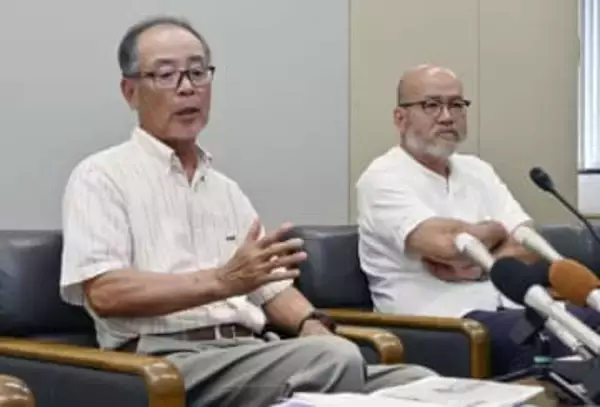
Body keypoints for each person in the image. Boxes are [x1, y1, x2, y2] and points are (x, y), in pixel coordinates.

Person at [59, 16, 435, 407]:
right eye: (166, 75)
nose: (187, 87)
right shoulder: (101, 176)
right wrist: (221, 281)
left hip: (251, 353)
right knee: (331, 360)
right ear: (131, 92)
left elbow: (270, 287)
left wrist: (310, 323)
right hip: (163, 365)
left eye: (197, 73)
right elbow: (105, 292)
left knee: (419, 383)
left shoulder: (225, 190)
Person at [356, 63, 600, 377]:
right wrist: (497, 233)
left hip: (511, 309)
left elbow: (527, 243)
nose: (447, 116)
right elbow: (449, 245)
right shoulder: (382, 177)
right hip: (442, 325)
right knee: (561, 341)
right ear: (400, 118)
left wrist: (479, 265)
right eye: (431, 105)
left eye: (457, 104)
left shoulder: (477, 170)